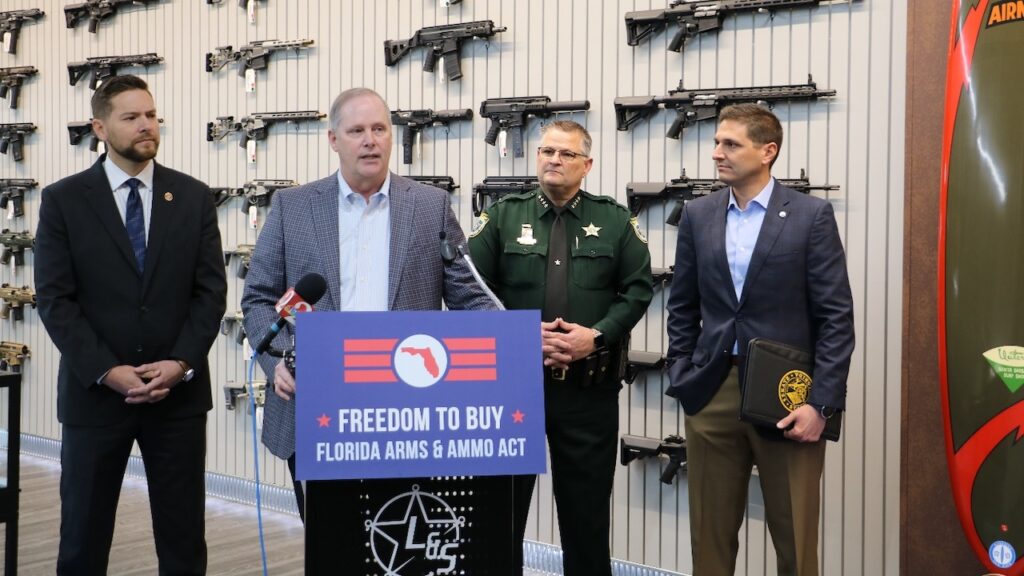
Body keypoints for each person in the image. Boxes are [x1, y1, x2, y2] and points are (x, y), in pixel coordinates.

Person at [240, 87, 495, 520]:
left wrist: (513, 337)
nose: (370, 139)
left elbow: (469, 295)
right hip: (318, 400)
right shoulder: (292, 207)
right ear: (333, 139)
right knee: (330, 542)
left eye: (379, 128)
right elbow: (259, 299)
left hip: (405, 408)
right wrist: (279, 360)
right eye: (356, 130)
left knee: (397, 537)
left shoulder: (430, 206)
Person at [34, 74, 227, 575]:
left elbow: (210, 295)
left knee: (184, 539)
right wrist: (107, 370)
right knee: (83, 536)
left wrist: (181, 363)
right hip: (96, 396)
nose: (147, 125)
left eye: (151, 115)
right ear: (100, 127)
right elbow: (56, 300)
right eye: (131, 117)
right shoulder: (64, 201)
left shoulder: (193, 197)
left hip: (177, 399)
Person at [665, 103, 855, 576]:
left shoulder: (811, 216)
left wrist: (821, 403)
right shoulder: (698, 215)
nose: (716, 154)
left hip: (789, 397)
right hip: (711, 393)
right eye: (715, 143)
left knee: (795, 539)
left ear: (768, 151)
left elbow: (836, 317)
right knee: (709, 539)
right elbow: (682, 305)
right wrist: (683, 375)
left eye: (731, 144)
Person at [468, 120, 654, 576]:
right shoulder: (502, 217)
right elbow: (471, 288)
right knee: (500, 515)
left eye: (567, 154)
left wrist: (598, 335)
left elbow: (637, 289)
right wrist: (518, 334)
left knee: (586, 520)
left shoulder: (614, 220)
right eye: (547, 151)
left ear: (587, 164)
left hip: (587, 394)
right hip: (512, 390)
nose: (554, 160)